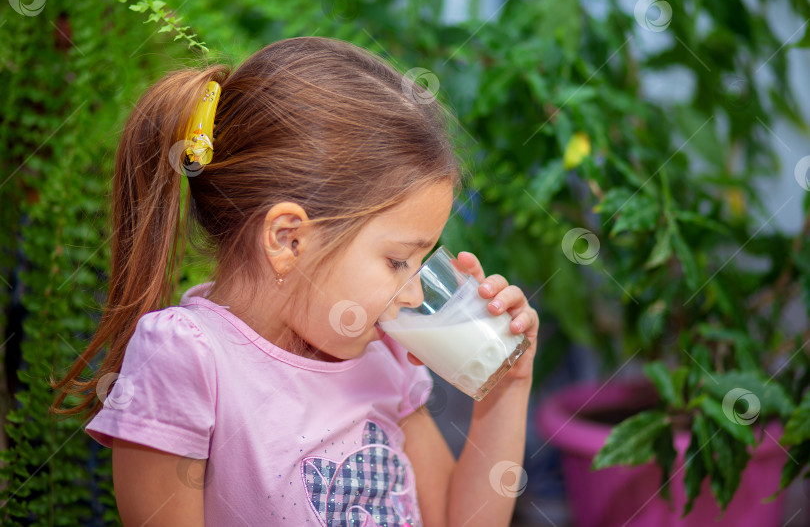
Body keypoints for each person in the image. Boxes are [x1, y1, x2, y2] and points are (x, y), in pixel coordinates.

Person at [50, 36, 539, 527]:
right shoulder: (190, 360)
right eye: (397, 261)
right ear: (287, 240)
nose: (413, 294)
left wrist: (506, 388)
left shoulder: (383, 359)